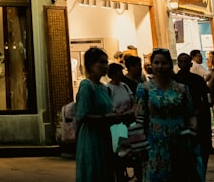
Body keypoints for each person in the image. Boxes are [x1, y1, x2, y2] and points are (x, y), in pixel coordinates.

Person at [135, 48, 201, 182]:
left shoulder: (182, 88)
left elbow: (190, 113)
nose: (160, 66)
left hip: (180, 139)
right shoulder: (144, 88)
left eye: (163, 63)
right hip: (154, 141)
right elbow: (139, 117)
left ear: (170, 65)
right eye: (156, 62)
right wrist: (139, 145)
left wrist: (192, 130)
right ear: (151, 65)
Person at [76, 47, 133, 182]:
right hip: (91, 136)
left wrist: (118, 114)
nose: (105, 66)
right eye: (101, 62)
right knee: (94, 171)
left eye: (106, 62)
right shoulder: (87, 86)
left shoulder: (103, 87)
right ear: (90, 64)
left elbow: (108, 110)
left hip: (105, 135)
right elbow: (82, 115)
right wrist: (105, 118)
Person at [175, 51, 214, 169]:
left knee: (202, 146)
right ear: (178, 64)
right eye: (181, 61)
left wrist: (200, 111)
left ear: (190, 64)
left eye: (186, 61)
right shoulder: (174, 80)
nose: (183, 64)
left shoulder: (197, 79)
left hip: (199, 114)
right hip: (181, 117)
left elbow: (205, 97)